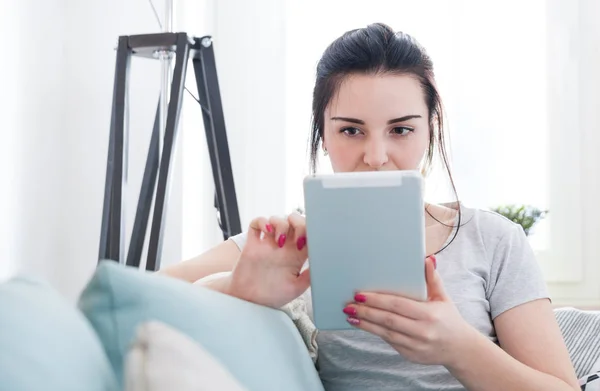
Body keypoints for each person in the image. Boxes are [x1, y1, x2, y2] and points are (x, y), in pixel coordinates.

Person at [161, 23, 580, 391]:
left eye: (400, 129)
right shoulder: (285, 246)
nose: (376, 156)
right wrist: (236, 289)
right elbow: (136, 296)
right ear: (323, 136)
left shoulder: (492, 239)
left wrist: (459, 347)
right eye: (350, 130)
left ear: (429, 131)